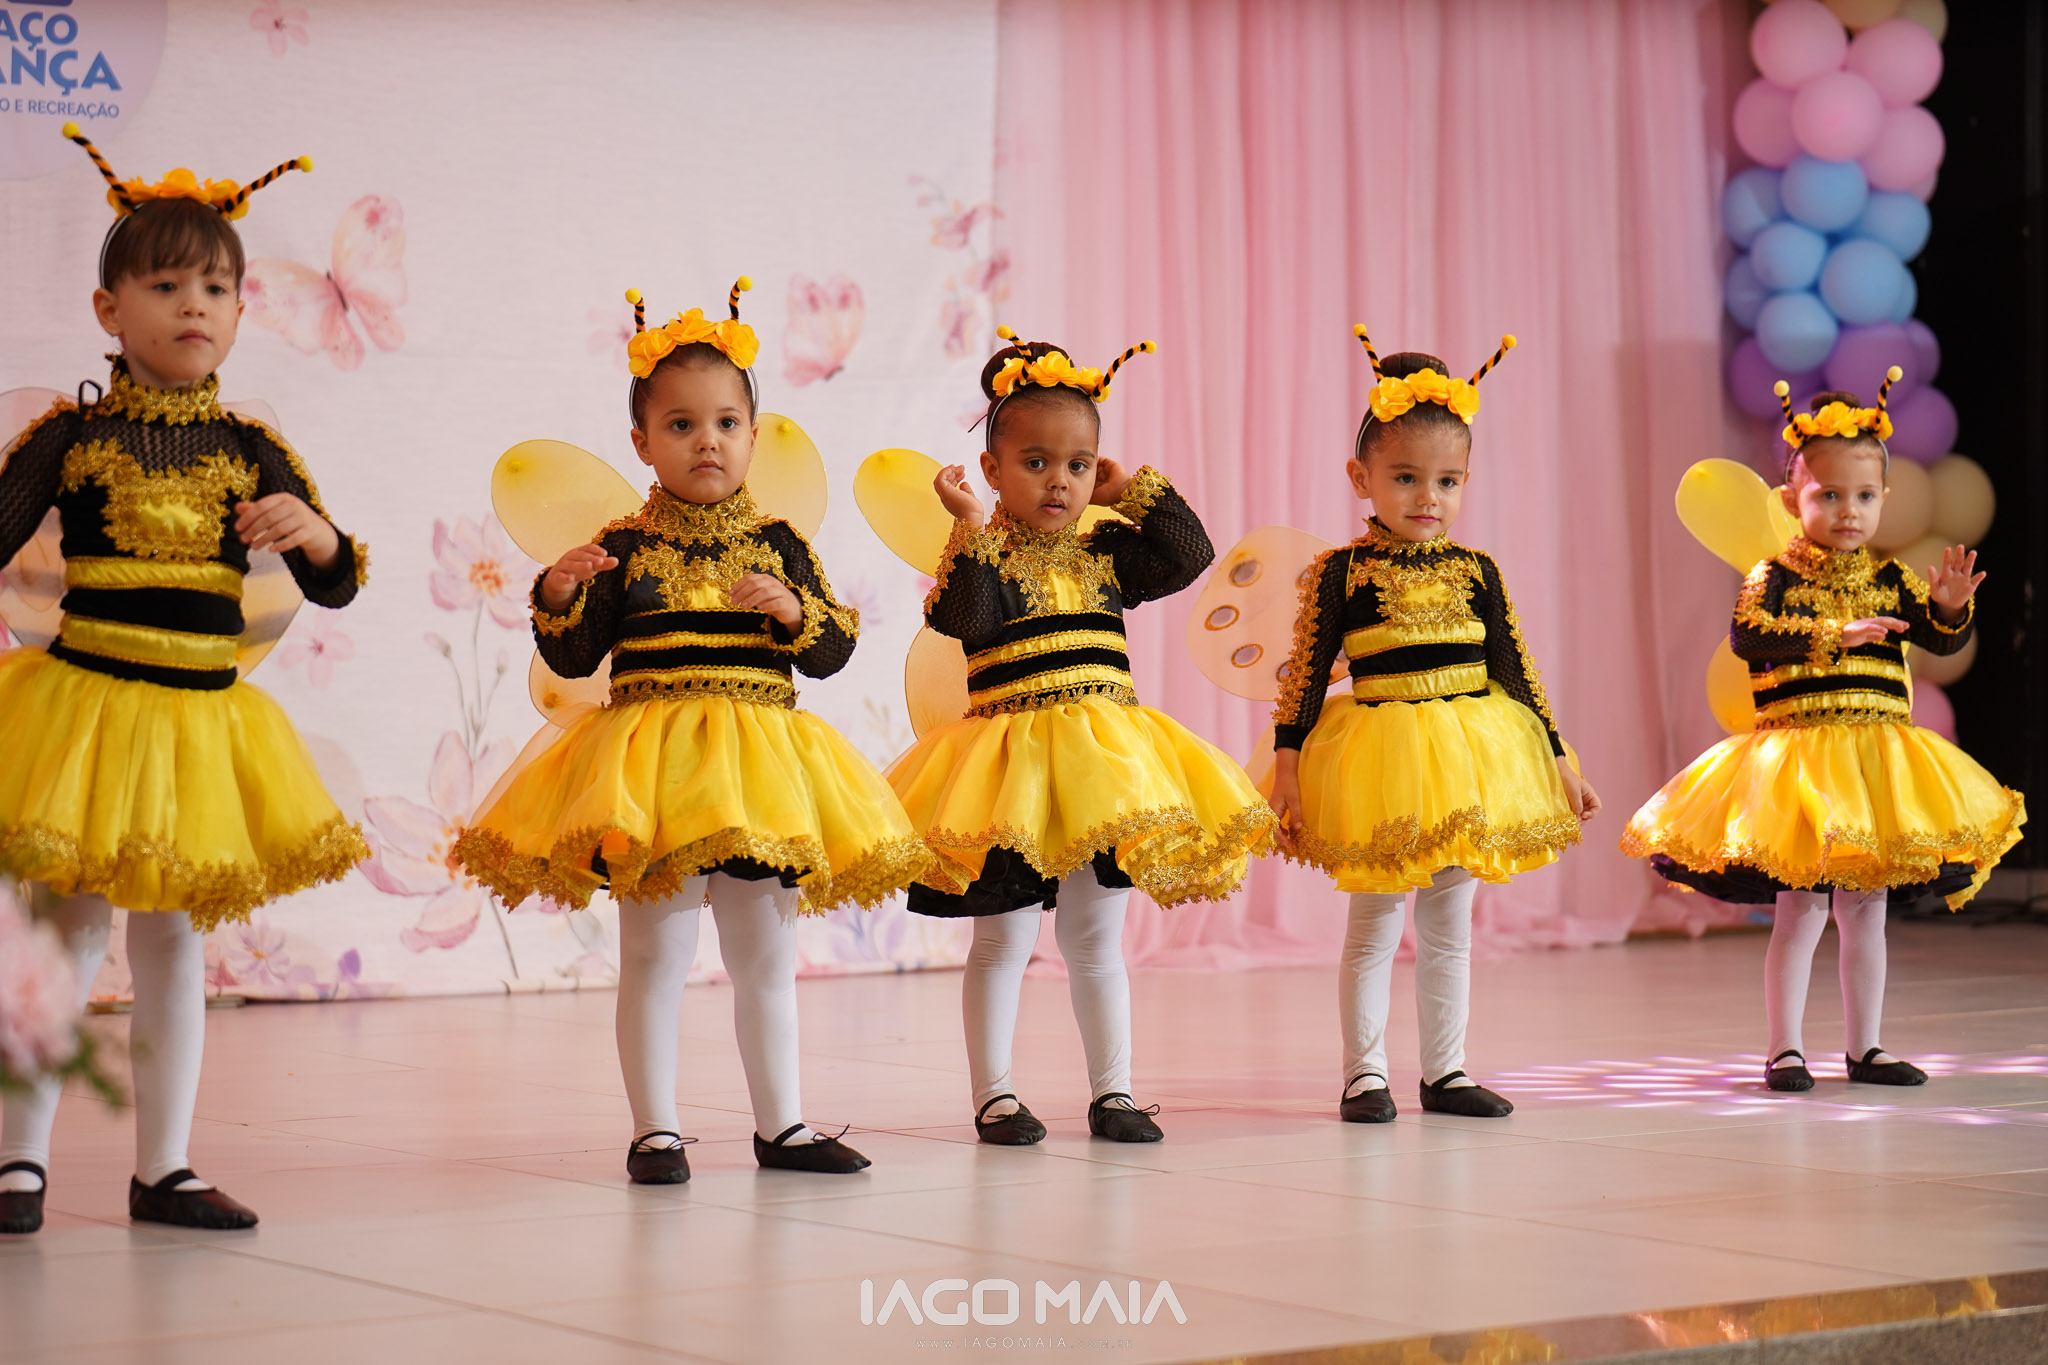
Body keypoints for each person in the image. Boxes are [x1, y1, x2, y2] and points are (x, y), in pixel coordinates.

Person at [454, 282, 929, 1182]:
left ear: (752, 434)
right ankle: (655, 1130)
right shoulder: (624, 547)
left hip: (759, 774)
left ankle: (783, 1126)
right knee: (655, 954)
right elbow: (577, 653)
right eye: (680, 425)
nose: (706, 440)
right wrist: (558, 592)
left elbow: (833, 649)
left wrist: (795, 612)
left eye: (725, 423)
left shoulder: (781, 542)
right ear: (642, 441)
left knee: (765, 956)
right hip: (654, 777)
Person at [0, 126, 369, 1234]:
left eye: (215, 288)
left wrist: (313, 532)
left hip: (201, 722)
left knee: (172, 939)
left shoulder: (252, 449)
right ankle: (18, 1161)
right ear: (109, 309)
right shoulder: (69, 436)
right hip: (86, 710)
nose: (193, 306)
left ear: (243, 312)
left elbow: (340, 580)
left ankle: (164, 1167)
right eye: (165, 286)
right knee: (65, 934)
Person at [882, 328, 1274, 1146]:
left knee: (1095, 937)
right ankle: (995, 1095)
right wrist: (966, 525)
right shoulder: (982, 559)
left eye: (1078, 464)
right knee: (1005, 935)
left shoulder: (1105, 554)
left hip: (1104, 769)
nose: (1059, 480)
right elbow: (963, 619)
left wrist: (1131, 492)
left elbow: (1189, 553)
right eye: (1035, 462)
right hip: (1010, 772)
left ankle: (1114, 1092)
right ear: (992, 469)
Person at [1623, 374, 2024, 1092]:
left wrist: (1948, 609)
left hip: (1875, 764)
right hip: (1801, 763)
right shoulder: (1773, 575)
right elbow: (1750, 637)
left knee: (1866, 912)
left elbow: (1936, 637)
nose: (1848, 511)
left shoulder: (1892, 577)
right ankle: (1785, 1049)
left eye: (1864, 496)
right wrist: (1835, 634)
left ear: (1884, 499)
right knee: (1801, 911)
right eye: (1829, 495)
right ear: (1791, 500)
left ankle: (1866, 1047)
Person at [1266, 328, 1598, 1125]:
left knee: (1450, 924)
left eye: (1447, 481)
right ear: (1362, 477)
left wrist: (1558, 760)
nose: (1428, 497)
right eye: (1406, 477)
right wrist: (1287, 769)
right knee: (1376, 922)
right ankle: (1364, 1075)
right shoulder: (1342, 571)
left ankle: (1446, 1071)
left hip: (1472, 756)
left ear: (1466, 482)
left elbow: (1516, 670)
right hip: (1379, 757)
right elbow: (1306, 675)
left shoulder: (1478, 570)